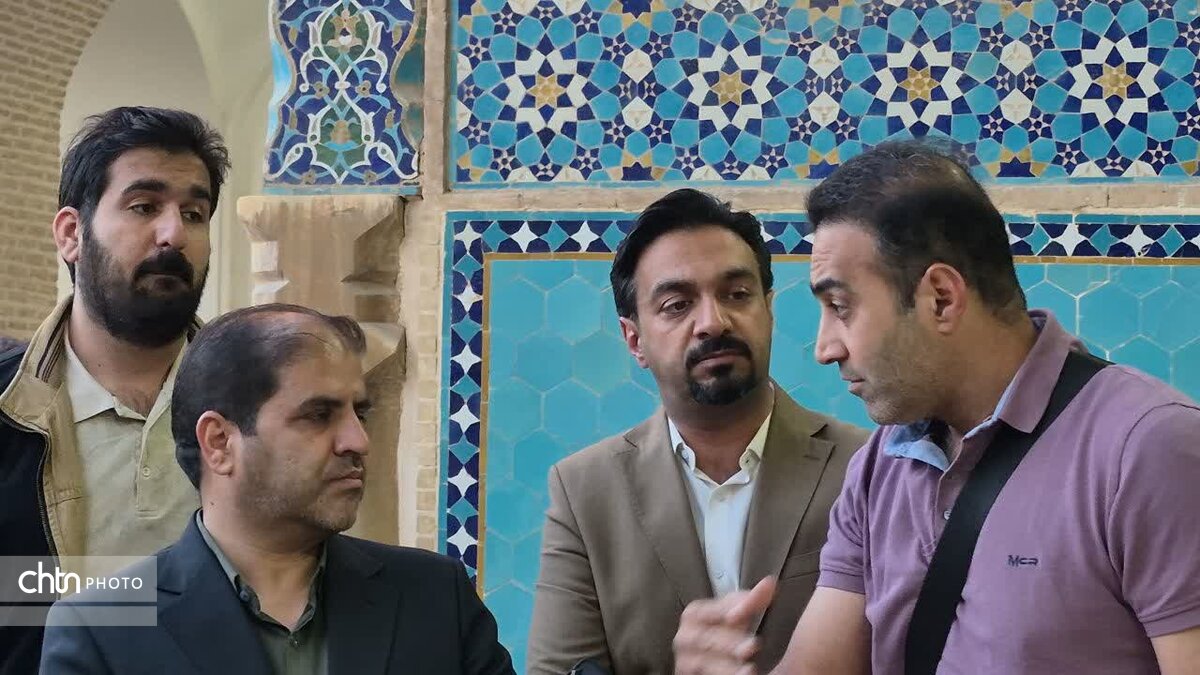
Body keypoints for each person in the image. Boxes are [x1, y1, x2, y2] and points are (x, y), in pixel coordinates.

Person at [672, 140, 1200, 674]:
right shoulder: (880, 465)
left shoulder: (1149, 449)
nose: (825, 348)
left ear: (941, 298)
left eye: (840, 307)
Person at [40, 303, 516, 674]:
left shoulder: (434, 597)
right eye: (319, 415)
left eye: (360, 413)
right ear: (219, 442)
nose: (357, 441)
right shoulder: (101, 628)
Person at [527, 189, 869, 674]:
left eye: (737, 295)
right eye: (676, 304)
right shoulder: (584, 493)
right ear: (634, 340)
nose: (713, 322)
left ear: (769, 310)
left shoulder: (866, 467)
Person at [0, 106, 229, 673]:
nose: (174, 234)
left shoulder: (256, 405)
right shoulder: (9, 405)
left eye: (194, 213)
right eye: (144, 207)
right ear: (72, 234)